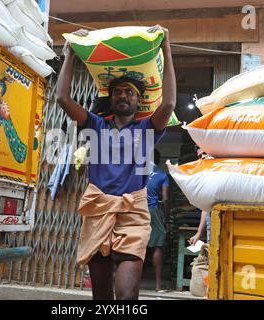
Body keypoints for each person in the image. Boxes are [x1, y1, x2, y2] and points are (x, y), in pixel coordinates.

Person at [56, 25, 176, 300]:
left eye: (130, 92)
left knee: (125, 294)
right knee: (101, 297)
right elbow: (62, 98)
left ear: (139, 100)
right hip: (98, 210)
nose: (123, 95)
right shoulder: (95, 124)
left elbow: (168, 104)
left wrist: (166, 47)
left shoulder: (146, 130)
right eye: (118, 92)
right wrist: (69, 54)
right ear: (111, 99)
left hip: (132, 214)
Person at [146, 149, 171, 292]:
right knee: (157, 245)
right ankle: (158, 285)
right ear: (158, 160)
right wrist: (166, 220)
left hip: (136, 209)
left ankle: (130, 282)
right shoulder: (162, 175)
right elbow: (166, 199)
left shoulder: (136, 173)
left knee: (136, 245)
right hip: (152, 209)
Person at [189, 147, 211, 245]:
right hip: (212, 221)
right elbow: (205, 207)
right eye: (200, 156)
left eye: (205, 153)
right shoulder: (205, 176)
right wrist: (199, 233)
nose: (202, 157)